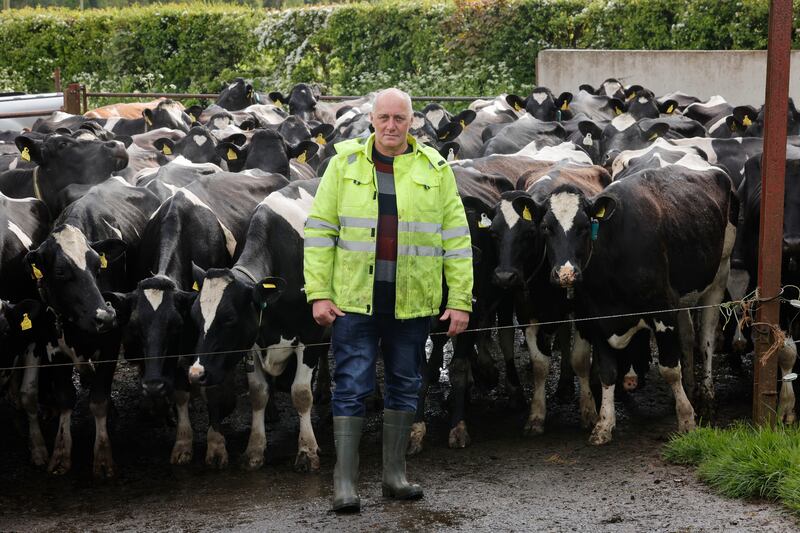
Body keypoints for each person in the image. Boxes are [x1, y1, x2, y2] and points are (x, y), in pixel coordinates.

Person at [303, 88, 473, 513]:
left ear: (413, 121)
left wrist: (461, 299)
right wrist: (319, 293)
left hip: (412, 302)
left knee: (406, 384)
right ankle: (345, 483)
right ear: (372, 120)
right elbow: (321, 230)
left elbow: (456, 239)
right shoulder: (343, 164)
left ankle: (394, 476)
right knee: (351, 386)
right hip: (354, 301)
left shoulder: (436, 168)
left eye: (400, 118)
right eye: (384, 118)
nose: (391, 126)